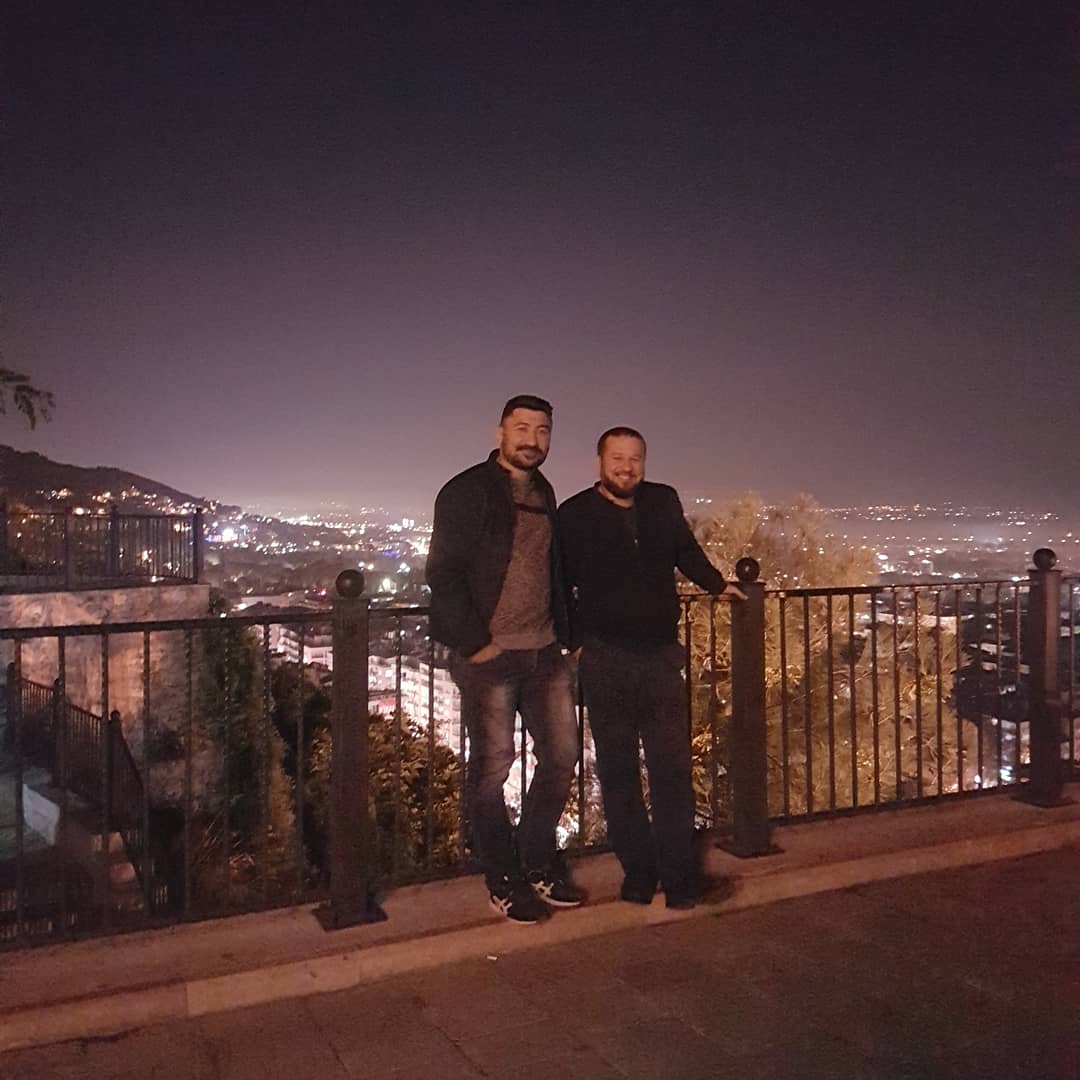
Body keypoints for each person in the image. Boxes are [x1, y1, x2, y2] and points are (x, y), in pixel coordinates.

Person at [558, 426, 745, 909]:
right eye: (617, 458)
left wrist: (716, 584)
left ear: (644, 461)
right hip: (605, 658)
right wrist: (574, 640)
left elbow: (684, 550)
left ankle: (679, 879)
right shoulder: (574, 515)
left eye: (634, 458)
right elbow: (558, 583)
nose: (626, 467)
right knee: (618, 772)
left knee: (672, 770)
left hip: (660, 656)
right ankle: (638, 875)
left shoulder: (663, 501)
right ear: (599, 462)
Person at [426, 395, 583, 923]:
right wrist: (477, 643)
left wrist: (567, 634)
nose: (532, 439)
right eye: (522, 428)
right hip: (490, 656)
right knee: (492, 770)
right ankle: (502, 876)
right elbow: (443, 573)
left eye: (542, 430)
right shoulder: (466, 490)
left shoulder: (544, 491)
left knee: (561, 758)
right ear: (500, 433)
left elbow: (550, 569)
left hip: (544, 651)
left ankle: (535, 857)